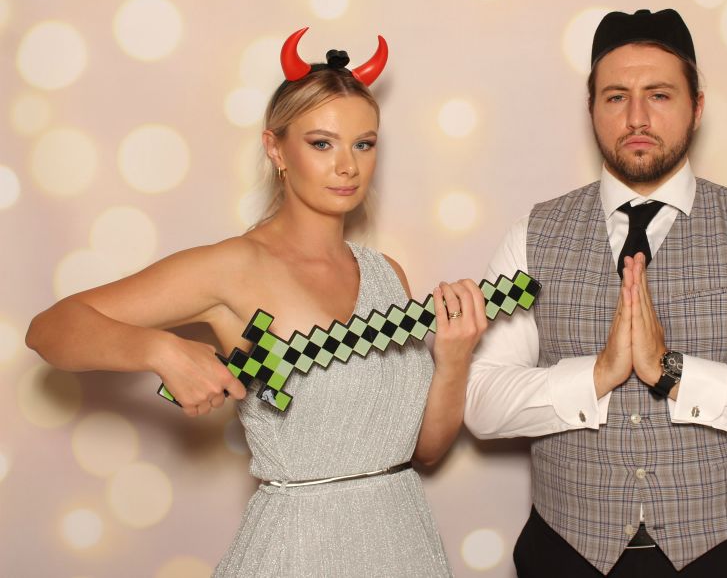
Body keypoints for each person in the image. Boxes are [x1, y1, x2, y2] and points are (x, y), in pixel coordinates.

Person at [26, 28, 487, 577]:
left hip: (404, 543)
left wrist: (454, 360)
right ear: (276, 149)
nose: (347, 166)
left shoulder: (386, 274)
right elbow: (48, 330)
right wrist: (159, 350)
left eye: (363, 144)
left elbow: (422, 451)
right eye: (322, 144)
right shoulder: (233, 266)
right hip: (300, 551)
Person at [464, 8, 727, 577]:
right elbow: (481, 402)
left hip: (725, 558)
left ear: (697, 107)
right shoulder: (531, 236)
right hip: (565, 557)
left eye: (659, 95)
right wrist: (598, 375)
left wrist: (672, 371)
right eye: (616, 97)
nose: (636, 117)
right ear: (591, 108)